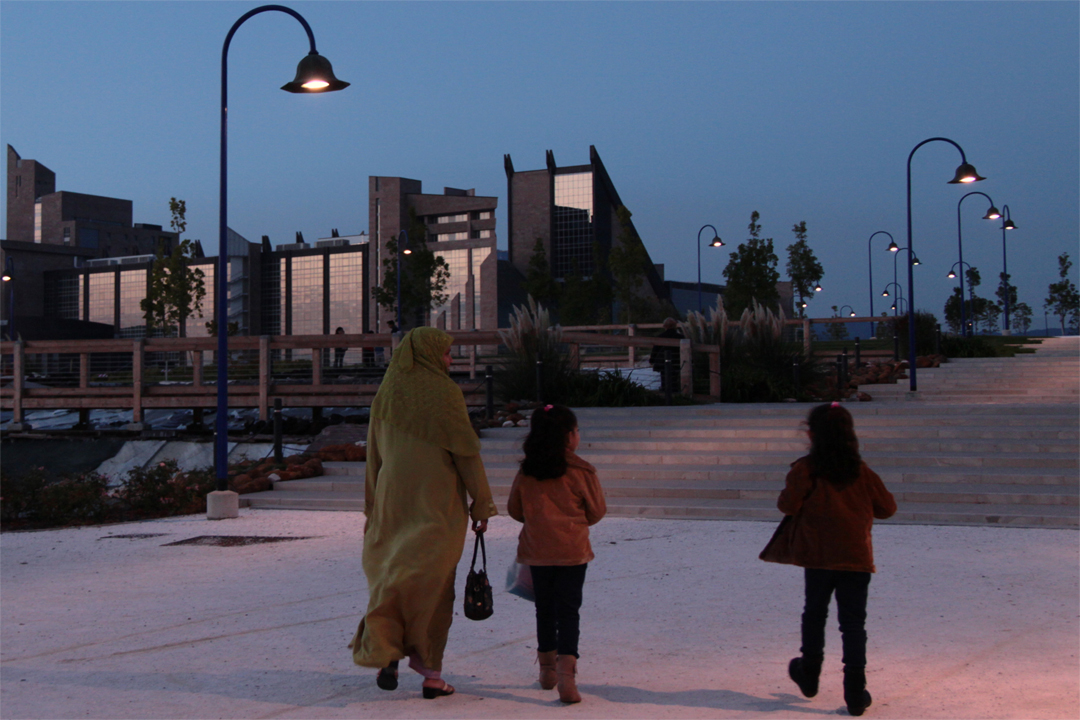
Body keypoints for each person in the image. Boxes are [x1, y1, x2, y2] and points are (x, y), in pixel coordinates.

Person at [349, 327, 498, 699]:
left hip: (392, 503)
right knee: (433, 586)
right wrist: (481, 503)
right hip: (437, 505)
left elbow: (373, 457)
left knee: (391, 578)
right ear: (430, 354)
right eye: (446, 354)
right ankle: (432, 674)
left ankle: (387, 650)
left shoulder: (386, 394)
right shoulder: (445, 394)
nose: (450, 361)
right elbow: (466, 453)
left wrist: (372, 507)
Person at [778, 402, 896, 717]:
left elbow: (787, 505)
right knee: (854, 623)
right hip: (856, 557)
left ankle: (810, 673)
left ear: (813, 435)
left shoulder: (806, 469)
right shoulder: (861, 472)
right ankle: (855, 691)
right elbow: (887, 508)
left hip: (817, 556)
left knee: (814, 614)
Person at [507, 404, 606, 704]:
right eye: (576, 431)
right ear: (568, 436)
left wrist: (539, 521)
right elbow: (597, 511)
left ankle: (547, 671)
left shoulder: (527, 471)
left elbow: (514, 509)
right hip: (572, 551)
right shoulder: (581, 471)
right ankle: (567, 679)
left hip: (537, 551)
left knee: (544, 610)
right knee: (569, 611)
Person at [649, 317, 684, 393]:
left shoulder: (661, 336)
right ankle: (675, 391)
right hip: (677, 361)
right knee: (675, 377)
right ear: (675, 326)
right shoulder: (680, 337)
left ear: (664, 326)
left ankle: (665, 391)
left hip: (663, 362)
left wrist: (652, 359)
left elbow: (655, 349)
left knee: (664, 377)